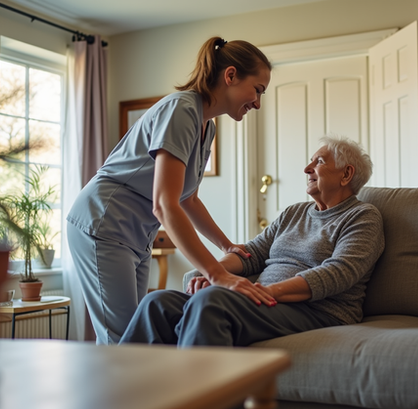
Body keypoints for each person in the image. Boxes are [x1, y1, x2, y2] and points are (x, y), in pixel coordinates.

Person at [66, 37, 273, 344]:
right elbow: (165, 204)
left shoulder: (207, 126)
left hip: (136, 235)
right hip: (103, 223)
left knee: (135, 336)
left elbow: (187, 197)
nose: (258, 102)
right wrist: (218, 275)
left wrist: (226, 245)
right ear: (230, 76)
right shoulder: (181, 110)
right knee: (122, 341)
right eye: (257, 90)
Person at [119, 135, 385, 347]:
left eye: (318, 162)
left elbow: (337, 273)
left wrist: (266, 291)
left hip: (318, 311)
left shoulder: (362, 216)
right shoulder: (294, 212)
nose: (307, 168)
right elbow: (253, 254)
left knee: (211, 303)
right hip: (266, 302)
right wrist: (215, 273)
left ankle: (200, 407)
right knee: (157, 303)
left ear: (346, 174)